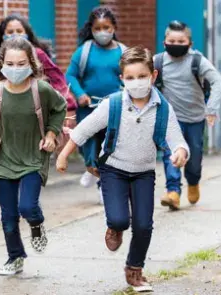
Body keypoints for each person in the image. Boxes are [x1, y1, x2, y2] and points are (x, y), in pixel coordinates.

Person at [56, 46, 189, 292]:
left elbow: (176, 138)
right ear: (122, 79)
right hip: (114, 170)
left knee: (143, 225)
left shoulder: (163, 108)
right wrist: (64, 155)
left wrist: (180, 152)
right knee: (119, 218)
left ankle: (135, 268)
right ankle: (115, 225)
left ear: (154, 76)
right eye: (130, 78)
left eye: (142, 76)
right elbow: (84, 129)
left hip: (143, 173)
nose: (136, 82)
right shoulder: (113, 104)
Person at [0, 14, 76, 207]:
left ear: (27, 33)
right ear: (2, 35)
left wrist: (68, 103)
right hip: (6, 108)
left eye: (19, 31)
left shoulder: (37, 54)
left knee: (28, 152)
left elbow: (57, 76)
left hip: (31, 109)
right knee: (4, 147)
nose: (15, 35)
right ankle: (1, 191)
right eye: (10, 32)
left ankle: (28, 195)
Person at [0, 37, 66, 275]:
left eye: (21, 63)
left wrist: (51, 135)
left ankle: (37, 223)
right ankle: (15, 257)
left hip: (33, 157)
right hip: (5, 159)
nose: (16, 68)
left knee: (27, 207)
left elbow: (59, 108)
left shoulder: (40, 89)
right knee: (8, 216)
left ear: (31, 63)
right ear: (1, 64)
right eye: (10, 63)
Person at [155, 21, 221, 210]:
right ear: (164, 42)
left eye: (181, 40)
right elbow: (145, 81)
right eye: (172, 40)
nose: (176, 44)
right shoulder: (158, 62)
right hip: (170, 119)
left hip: (195, 118)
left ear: (190, 43)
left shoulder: (197, 61)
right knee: (170, 154)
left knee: (193, 159)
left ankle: (193, 181)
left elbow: (218, 81)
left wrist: (211, 109)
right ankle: (173, 192)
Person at [65, 6, 126, 204]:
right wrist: (80, 94)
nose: (102, 32)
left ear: (114, 27)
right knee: (88, 144)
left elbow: (129, 76)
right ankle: (90, 166)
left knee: (107, 147)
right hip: (88, 107)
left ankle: (102, 184)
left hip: (114, 109)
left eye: (106, 27)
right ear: (91, 29)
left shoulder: (122, 51)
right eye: (98, 28)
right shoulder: (84, 51)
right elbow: (70, 75)